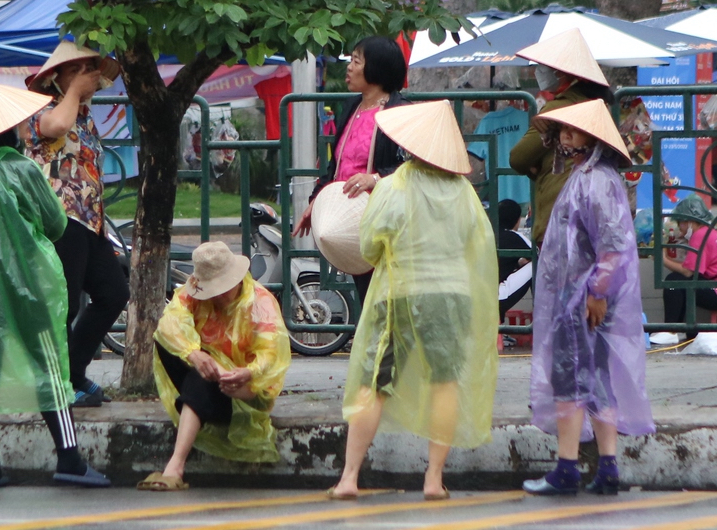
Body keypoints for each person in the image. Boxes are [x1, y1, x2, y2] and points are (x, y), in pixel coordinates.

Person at [331, 99, 499, 502]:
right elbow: (477, 246)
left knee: (375, 381)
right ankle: (433, 479)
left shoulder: (394, 185)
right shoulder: (463, 192)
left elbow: (370, 247)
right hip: (452, 296)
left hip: (401, 295)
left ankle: (349, 477)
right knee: (445, 380)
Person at [0, 82, 111, 489]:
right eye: (20, 122)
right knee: (49, 367)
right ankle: (69, 460)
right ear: (5, 129)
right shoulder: (19, 169)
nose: (27, 127)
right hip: (24, 282)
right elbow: (56, 223)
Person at [523, 100, 654, 498]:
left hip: (583, 299)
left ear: (592, 138)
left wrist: (596, 292)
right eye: (564, 129)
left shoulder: (595, 181)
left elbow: (613, 244)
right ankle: (607, 466)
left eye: (575, 131)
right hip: (581, 296)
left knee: (571, 380)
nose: (567, 136)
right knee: (598, 380)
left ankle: (567, 467)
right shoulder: (587, 177)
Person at [137, 241, 289, 492]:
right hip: (206, 379)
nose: (216, 296)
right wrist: (194, 354)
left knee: (200, 380)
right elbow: (169, 326)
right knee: (172, 348)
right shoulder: (192, 295)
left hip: (244, 392)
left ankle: (175, 466)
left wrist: (246, 372)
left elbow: (270, 355)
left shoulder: (260, 303)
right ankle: (176, 463)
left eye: (222, 289)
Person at [25, 41, 127, 408]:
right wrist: (73, 92)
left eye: (88, 70)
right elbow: (56, 125)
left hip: (89, 222)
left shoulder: (84, 116)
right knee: (62, 307)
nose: (85, 77)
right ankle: (58, 384)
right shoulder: (41, 110)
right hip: (58, 221)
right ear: (56, 79)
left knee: (114, 293)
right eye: (75, 70)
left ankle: (72, 372)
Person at [296, 36, 408, 307]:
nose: (349, 66)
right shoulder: (351, 107)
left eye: (357, 61)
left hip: (385, 220)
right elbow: (336, 166)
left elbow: (412, 167)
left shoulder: (400, 112)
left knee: (389, 300)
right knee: (369, 298)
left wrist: (375, 179)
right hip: (353, 221)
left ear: (378, 69)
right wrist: (317, 200)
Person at [510, 30, 617, 246]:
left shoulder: (559, 108)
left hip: (559, 218)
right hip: (593, 216)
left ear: (562, 73)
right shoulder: (601, 108)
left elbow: (518, 158)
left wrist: (537, 168)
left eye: (546, 67)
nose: (540, 72)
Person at [659, 194, 717, 333]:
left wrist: (662, 260)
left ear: (690, 222)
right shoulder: (709, 233)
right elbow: (692, 266)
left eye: (680, 222)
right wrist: (670, 259)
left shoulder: (699, 236)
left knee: (673, 282)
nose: (679, 228)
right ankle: (681, 331)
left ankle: (670, 330)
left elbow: (688, 272)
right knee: (681, 282)